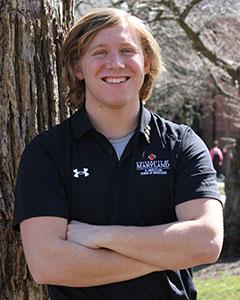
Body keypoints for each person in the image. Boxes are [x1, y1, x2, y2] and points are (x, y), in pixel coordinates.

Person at [13, 8, 224, 300]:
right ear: (77, 67)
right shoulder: (47, 153)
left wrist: (100, 236)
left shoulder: (181, 144)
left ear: (147, 62)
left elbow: (206, 242)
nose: (115, 63)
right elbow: (48, 264)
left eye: (127, 50)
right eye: (99, 52)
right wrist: (166, 253)